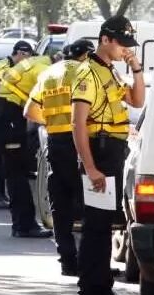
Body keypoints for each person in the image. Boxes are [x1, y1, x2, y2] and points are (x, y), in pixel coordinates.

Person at [71, 16, 145, 295]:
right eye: (121, 44)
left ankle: (102, 291)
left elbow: (138, 101)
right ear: (105, 40)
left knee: (103, 227)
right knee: (96, 228)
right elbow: (77, 122)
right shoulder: (88, 72)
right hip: (99, 154)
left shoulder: (109, 71)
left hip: (110, 152)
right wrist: (90, 167)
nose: (124, 50)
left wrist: (136, 67)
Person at [25, 40, 94, 276]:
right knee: (90, 205)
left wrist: (51, 122)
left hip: (56, 143)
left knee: (60, 204)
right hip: (83, 142)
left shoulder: (49, 74)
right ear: (85, 55)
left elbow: (29, 111)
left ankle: (67, 260)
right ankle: (89, 263)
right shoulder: (87, 72)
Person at [0, 48, 54, 238]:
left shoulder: (34, 62)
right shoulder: (44, 69)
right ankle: (24, 225)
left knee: (15, 172)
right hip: (9, 115)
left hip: (3, 113)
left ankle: (21, 224)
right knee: (17, 174)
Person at [0, 41, 32, 210]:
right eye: (27, 57)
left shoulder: (7, 64)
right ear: (21, 53)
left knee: (0, 154)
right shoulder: (5, 66)